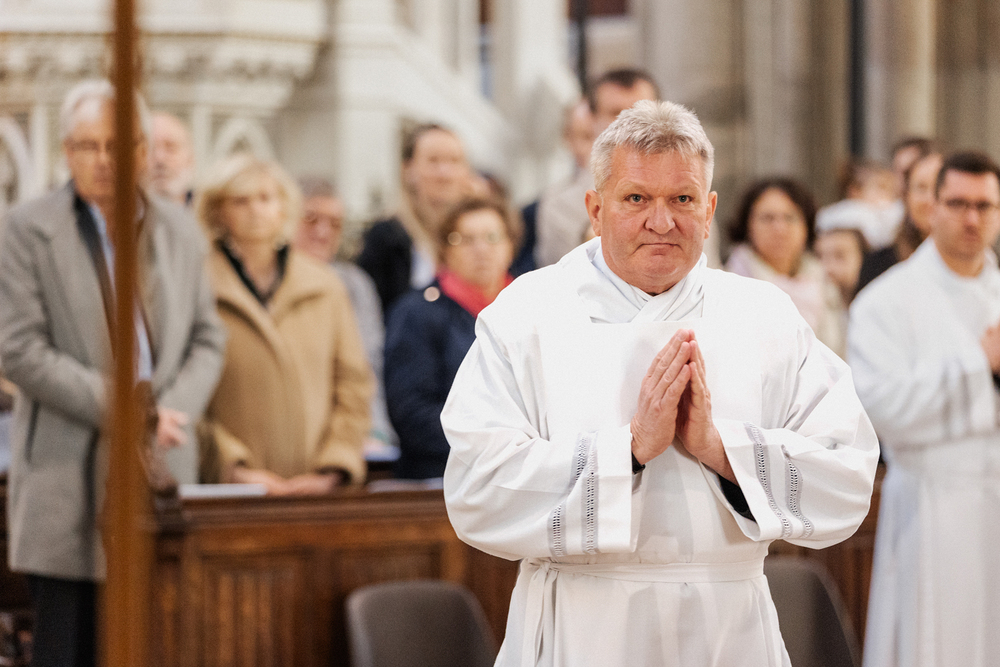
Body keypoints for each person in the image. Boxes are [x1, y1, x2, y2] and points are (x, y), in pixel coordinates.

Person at [442, 100, 878, 666]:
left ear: (709, 209)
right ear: (595, 210)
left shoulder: (764, 315)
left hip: (729, 629)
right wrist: (626, 452)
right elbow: (476, 490)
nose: (662, 221)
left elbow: (848, 472)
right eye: (636, 199)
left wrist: (722, 449)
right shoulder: (528, 314)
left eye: (682, 199)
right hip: (586, 626)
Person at [0, 80, 226, 667]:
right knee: (70, 649)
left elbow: (208, 337)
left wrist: (170, 412)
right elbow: (18, 349)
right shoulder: (26, 228)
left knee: (158, 646)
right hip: (67, 475)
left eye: (117, 145)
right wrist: (129, 411)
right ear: (66, 151)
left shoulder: (178, 228)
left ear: (144, 151)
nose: (103, 160)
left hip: (160, 467)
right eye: (87, 145)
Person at [849, 151, 1000, 667]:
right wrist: (979, 365)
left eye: (984, 205)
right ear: (931, 208)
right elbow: (881, 409)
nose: (971, 218)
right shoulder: (885, 303)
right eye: (957, 203)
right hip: (930, 506)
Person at [197, 154, 372, 494]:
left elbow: (353, 385)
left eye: (265, 198)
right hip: (232, 491)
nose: (255, 211)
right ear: (218, 211)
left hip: (316, 488)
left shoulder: (324, 285)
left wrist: (334, 466)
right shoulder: (197, 286)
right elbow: (187, 396)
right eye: (241, 201)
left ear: (284, 207)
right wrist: (231, 468)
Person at [385, 197, 518, 480]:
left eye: (492, 237)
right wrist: (492, 447)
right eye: (465, 240)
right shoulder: (417, 313)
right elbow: (411, 413)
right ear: (445, 249)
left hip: (521, 473)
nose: (481, 249)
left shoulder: (531, 309)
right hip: (442, 477)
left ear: (510, 246)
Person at [294, 176, 398, 459]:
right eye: (311, 219)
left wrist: (376, 430)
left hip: (350, 432)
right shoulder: (269, 282)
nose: (323, 232)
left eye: (335, 224)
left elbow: (368, 364)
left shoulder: (355, 284)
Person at [534, 70, 658, 268]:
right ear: (592, 119)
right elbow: (566, 276)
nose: (631, 124)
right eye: (616, 113)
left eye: (641, 112)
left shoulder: (689, 192)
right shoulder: (561, 206)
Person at [357, 123, 474, 319]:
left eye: (454, 161)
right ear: (408, 169)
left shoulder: (481, 235)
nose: (444, 173)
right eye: (433, 161)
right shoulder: (387, 239)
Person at [725, 178, 845, 356]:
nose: (780, 229)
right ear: (747, 225)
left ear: (806, 225)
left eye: (790, 218)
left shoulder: (825, 283)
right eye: (768, 218)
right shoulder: (729, 288)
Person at [855, 149, 943, 293]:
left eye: (938, 187)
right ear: (906, 196)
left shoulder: (976, 262)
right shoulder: (878, 265)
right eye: (921, 188)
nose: (930, 199)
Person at [150, 111, 196, 206]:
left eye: (171, 148)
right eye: (150, 148)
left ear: (190, 159)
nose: (160, 159)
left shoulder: (204, 211)